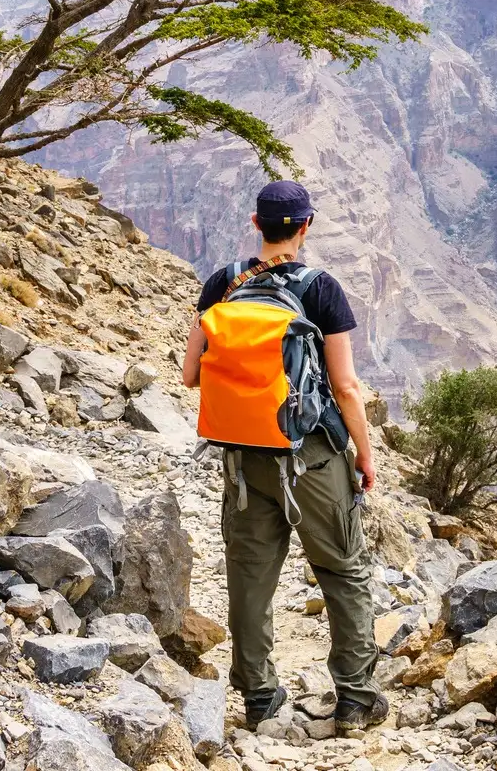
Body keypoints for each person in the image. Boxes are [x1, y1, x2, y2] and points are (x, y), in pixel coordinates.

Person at [180, 179, 387, 736]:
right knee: (342, 571)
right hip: (313, 457)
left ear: (256, 225)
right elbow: (345, 388)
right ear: (305, 227)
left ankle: (260, 698)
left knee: (250, 578)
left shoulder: (223, 284)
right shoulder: (321, 289)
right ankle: (355, 700)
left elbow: (190, 373)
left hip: (245, 459)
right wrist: (365, 457)